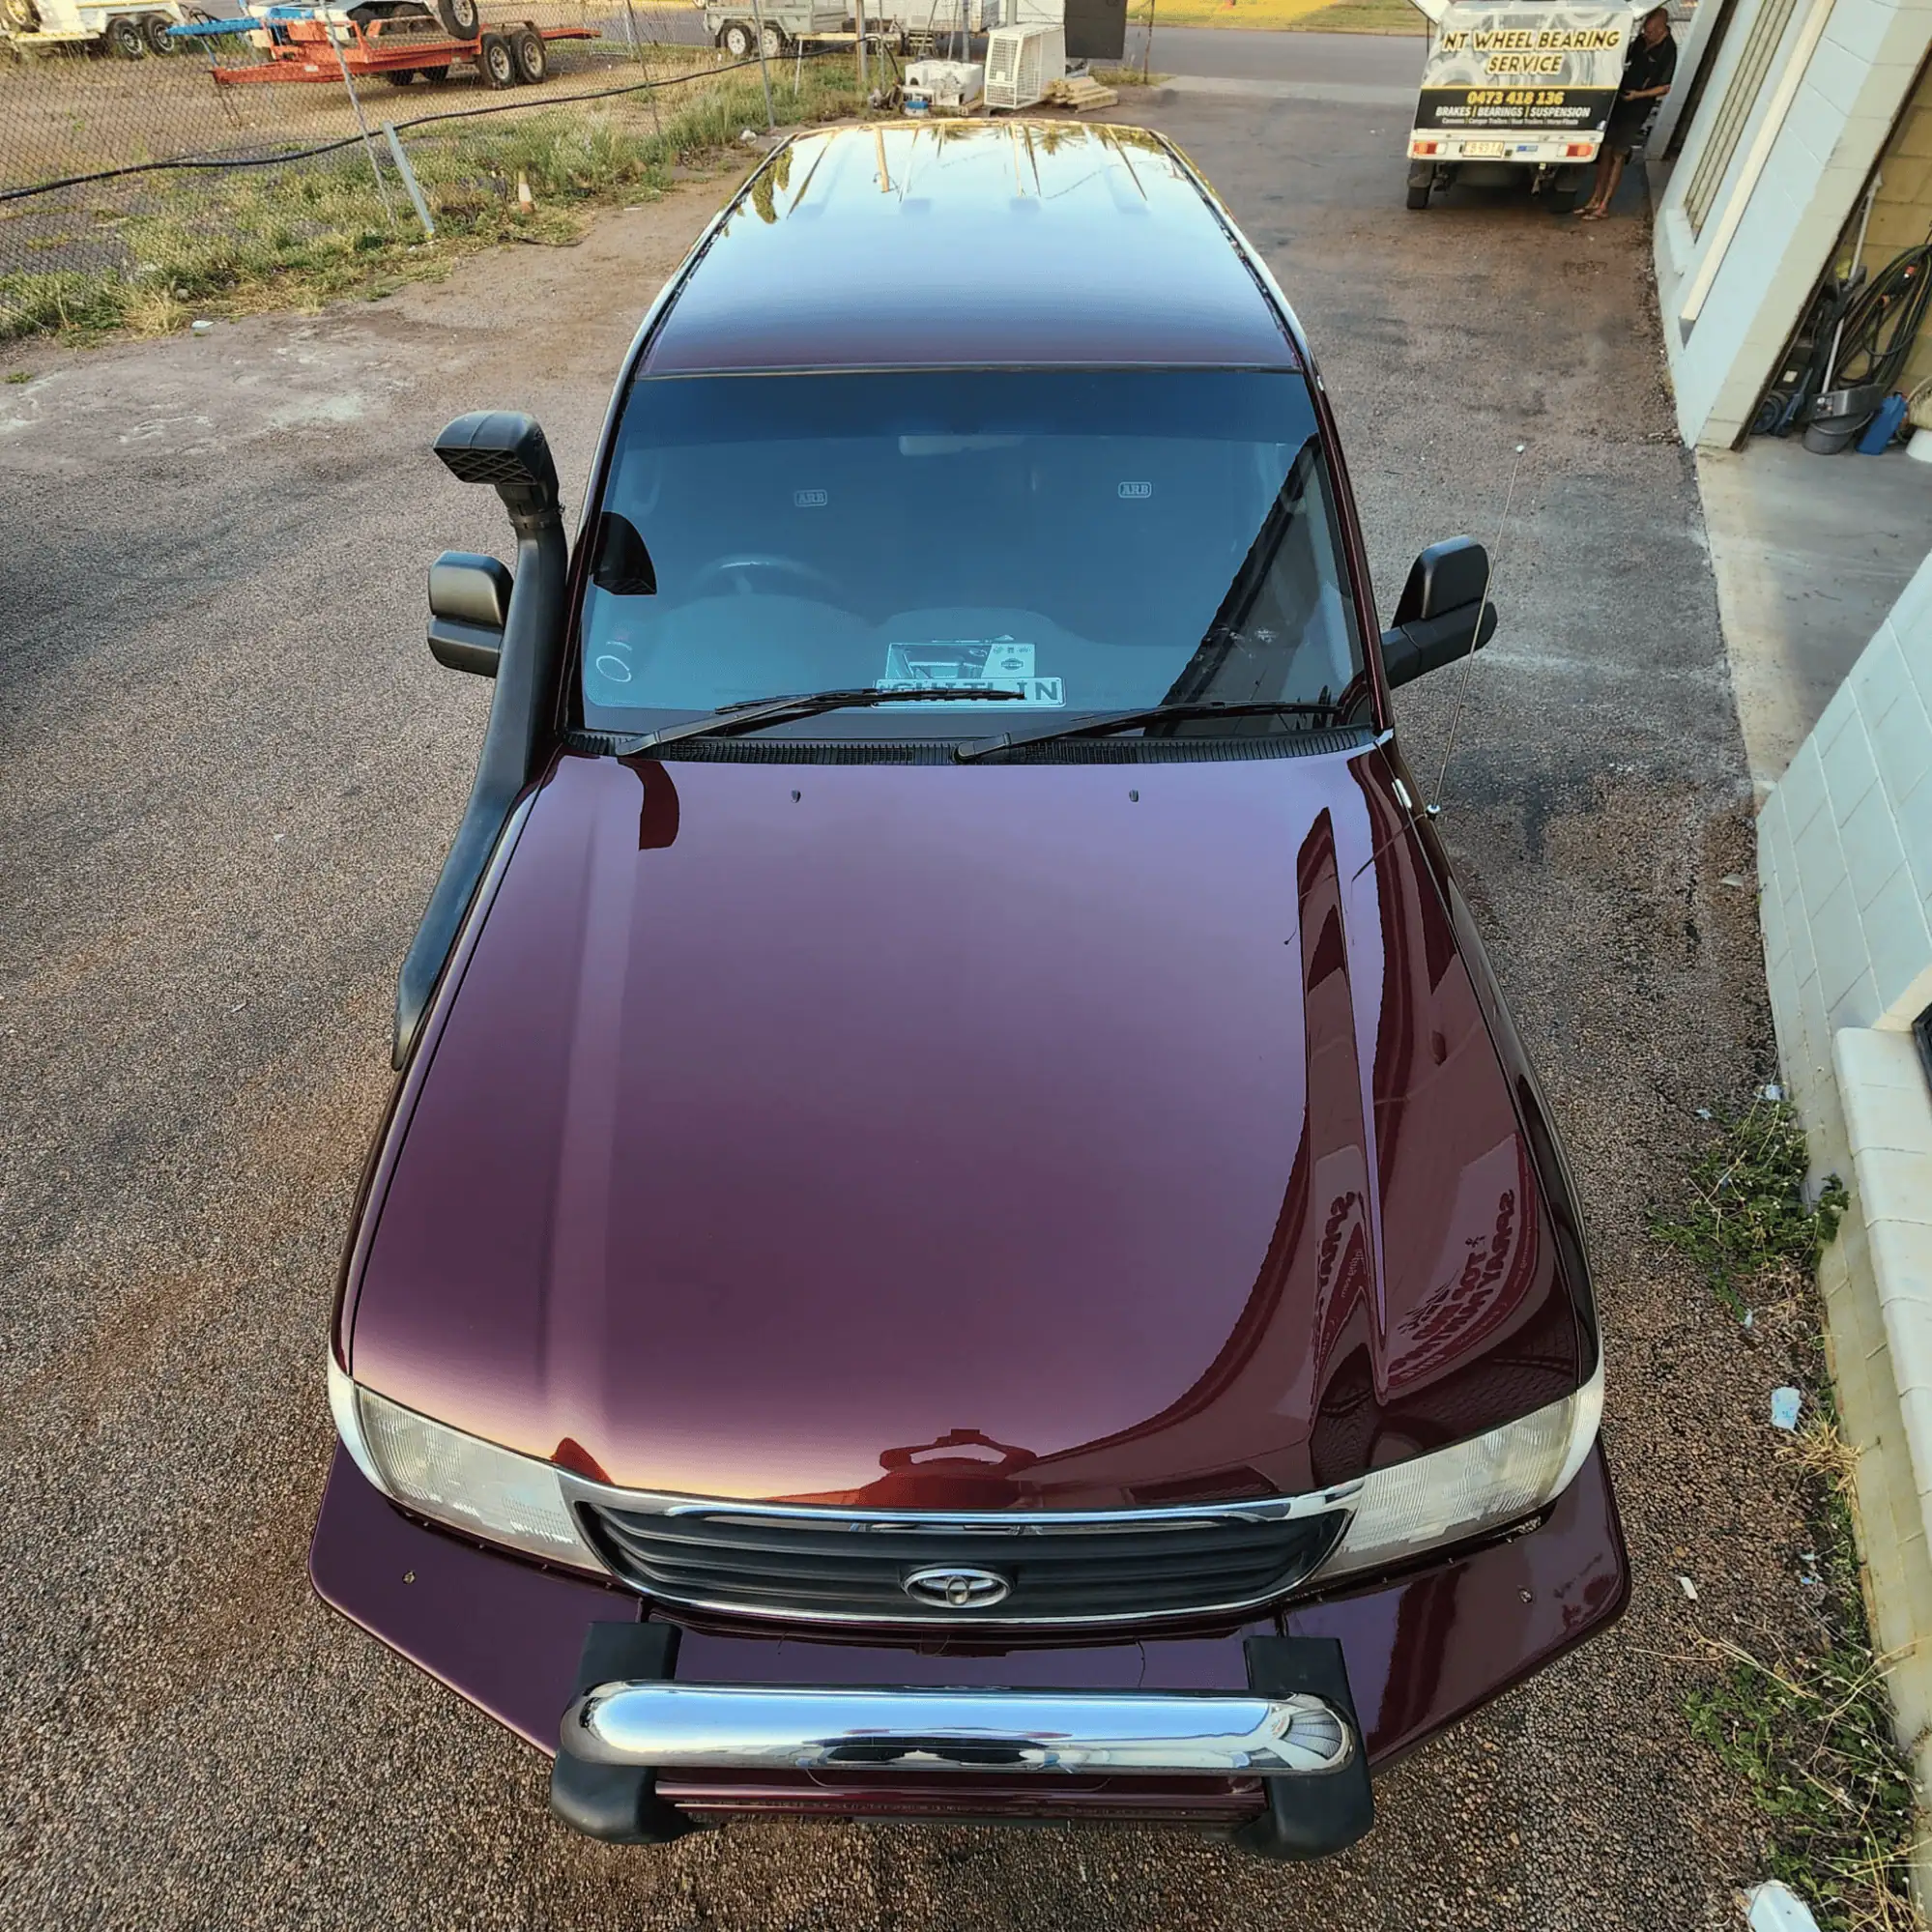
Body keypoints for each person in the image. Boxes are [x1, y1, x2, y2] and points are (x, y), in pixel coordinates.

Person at [1577, 6, 1677, 219]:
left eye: (1650, 32)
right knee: (1605, 148)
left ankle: (1605, 205)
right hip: (1620, 101)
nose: (1645, 35)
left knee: (1618, 153)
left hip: (1638, 106)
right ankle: (1594, 198)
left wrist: (1638, 95)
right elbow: (1622, 58)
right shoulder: (1641, 42)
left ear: (1662, 30)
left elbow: (1665, 87)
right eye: (1644, 31)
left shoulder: (1669, 50)